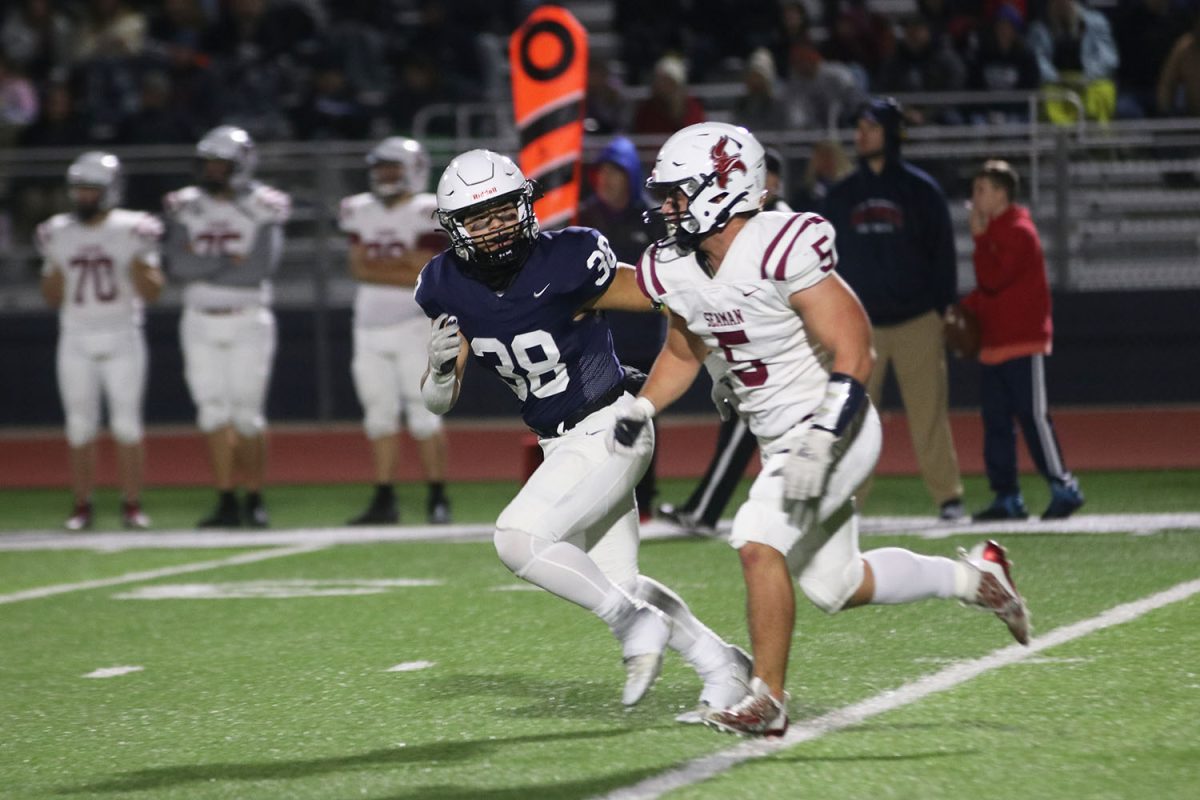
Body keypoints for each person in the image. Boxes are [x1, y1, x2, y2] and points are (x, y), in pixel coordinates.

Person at [615, 122, 1033, 737]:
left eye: (680, 193)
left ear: (725, 188)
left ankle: (768, 699)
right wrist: (644, 406)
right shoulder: (682, 266)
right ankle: (977, 577)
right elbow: (684, 351)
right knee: (837, 584)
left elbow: (854, 346)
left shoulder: (779, 242)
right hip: (781, 436)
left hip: (835, 422)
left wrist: (821, 437)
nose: (669, 207)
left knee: (757, 538)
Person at [415, 149, 750, 719]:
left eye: (503, 211)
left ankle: (633, 626)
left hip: (611, 425)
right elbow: (439, 402)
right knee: (621, 582)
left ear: (524, 205)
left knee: (517, 538)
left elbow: (667, 297)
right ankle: (724, 665)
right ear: (455, 228)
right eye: (479, 218)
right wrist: (442, 370)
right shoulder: (446, 286)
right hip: (560, 444)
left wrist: (717, 364)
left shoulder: (566, 259)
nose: (495, 227)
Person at [823, 97, 966, 520]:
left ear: (890, 133)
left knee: (929, 416)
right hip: (859, 326)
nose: (859, 134)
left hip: (918, 320)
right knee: (853, 420)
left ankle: (949, 497)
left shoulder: (922, 191)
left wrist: (944, 310)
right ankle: (848, 501)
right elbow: (825, 259)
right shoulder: (841, 195)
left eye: (869, 127)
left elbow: (943, 255)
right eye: (858, 127)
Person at [655, 148, 792, 536]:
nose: (669, 210)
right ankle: (713, 508)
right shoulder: (717, 229)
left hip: (777, 358)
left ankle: (706, 511)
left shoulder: (775, 225)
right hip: (747, 348)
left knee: (754, 433)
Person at [163, 125, 290, 528]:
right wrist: (229, 261)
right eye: (209, 164)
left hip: (247, 318)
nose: (213, 171)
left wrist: (204, 264)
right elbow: (178, 266)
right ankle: (225, 498)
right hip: (199, 321)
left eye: (222, 164)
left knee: (247, 415)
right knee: (211, 415)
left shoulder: (264, 204)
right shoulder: (185, 204)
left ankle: (254, 497)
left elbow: (258, 269)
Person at [37, 151, 163, 530]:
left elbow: (154, 292)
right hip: (76, 334)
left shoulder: (134, 228)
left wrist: (135, 260)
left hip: (122, 332)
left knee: (127, 425)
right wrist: (57, 262)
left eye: (92, 190)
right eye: (80, 190)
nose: (84, 197)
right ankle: (81, 504)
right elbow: (51, 296)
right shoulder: (57, 231)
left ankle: (132, 504)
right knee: (79, 426)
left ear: (110, 190)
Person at [959, 160, 1085, 520]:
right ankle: (1007, 496)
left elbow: (993, 279)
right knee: (996, 422)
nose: (975, 197)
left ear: (1001, 193)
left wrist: (980, 239)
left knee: (1033, 416)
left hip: (1021, 341)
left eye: (981, 190)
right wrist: (962, 310)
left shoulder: (1018, 230)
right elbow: (988, 290)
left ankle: (1064, 484)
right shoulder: (1000, 230)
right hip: (994, 342)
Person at [341, 136, 452, 525]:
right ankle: (384, 498)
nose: (385, 175)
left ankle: (438, 496)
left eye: (393, 167)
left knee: (424, 416)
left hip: (414, 327)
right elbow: (358, 268)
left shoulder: (427, 210)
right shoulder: (359, 209)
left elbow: (421, 270)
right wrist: (399, 265)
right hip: (368, 329)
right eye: (381, 168)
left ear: (415, 169)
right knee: (378, 416)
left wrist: (384, 266)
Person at [577, 135, 662, 517]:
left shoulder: (652, 220)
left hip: (640, 338)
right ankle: (597, 498)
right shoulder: (584, 218)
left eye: (615, 172)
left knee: (640, 417)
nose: (607, 181)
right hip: (594, 340)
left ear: (630, 175)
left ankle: (642, 499)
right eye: (602, 173)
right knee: (592, 423)